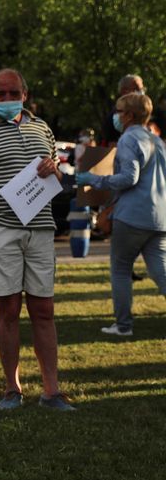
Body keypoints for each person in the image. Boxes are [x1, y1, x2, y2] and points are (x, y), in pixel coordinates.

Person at [0, 68, 74, 411]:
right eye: (0, 95)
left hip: (40, 229)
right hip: (2, 231)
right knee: (8, 310)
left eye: (13, 93)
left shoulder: (43, 128)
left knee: (44, 309)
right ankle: (13, 388)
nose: (7, 100)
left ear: (25, 94)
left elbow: (55, 174)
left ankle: (51, 391)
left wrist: (53, 169)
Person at [76, 93, 166, 336]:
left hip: (132, 216)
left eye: (118, 110)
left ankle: (123, 325)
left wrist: (93, 180)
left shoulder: (128, 139)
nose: (114, 115)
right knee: (160, 271)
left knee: (121, 269)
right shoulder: (156, 140)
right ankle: (123, 324)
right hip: (159, 217)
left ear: (128, 115)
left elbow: (129, 178)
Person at [102, 74, 144, 146]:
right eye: (136, 89)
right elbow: (112, 147)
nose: (141, 92)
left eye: (141, 89)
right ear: (124, 91)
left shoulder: (140, 113)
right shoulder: (116, 117)